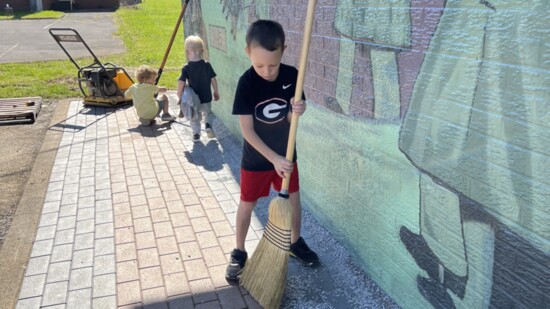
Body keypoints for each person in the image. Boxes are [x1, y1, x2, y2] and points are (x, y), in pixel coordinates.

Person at [225, 19, 319, 285]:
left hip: (287, 157)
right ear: (248, 53)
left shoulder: (292, 76)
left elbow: (289, 119)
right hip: (257, 159)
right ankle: (239, 251)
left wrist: (296, 111)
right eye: (259, 65)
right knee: (248, 203)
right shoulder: (247, 84)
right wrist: (273, 159)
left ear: (284, 50)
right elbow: (248, 131)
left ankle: (294, 242)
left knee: (293, 201)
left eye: (273, 64)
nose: (267, 71)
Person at [177, 35, 220, 142]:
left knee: (194, 118)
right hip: (206, 97)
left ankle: (196, 134)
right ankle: (208, 125)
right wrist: (216, 91)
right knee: (208, 113)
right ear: (202, 50)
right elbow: (213, 79)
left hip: (193, 100)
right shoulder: (207, 65)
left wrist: (179, 94)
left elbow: (181, 82)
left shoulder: (186, 67)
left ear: (188, 52)